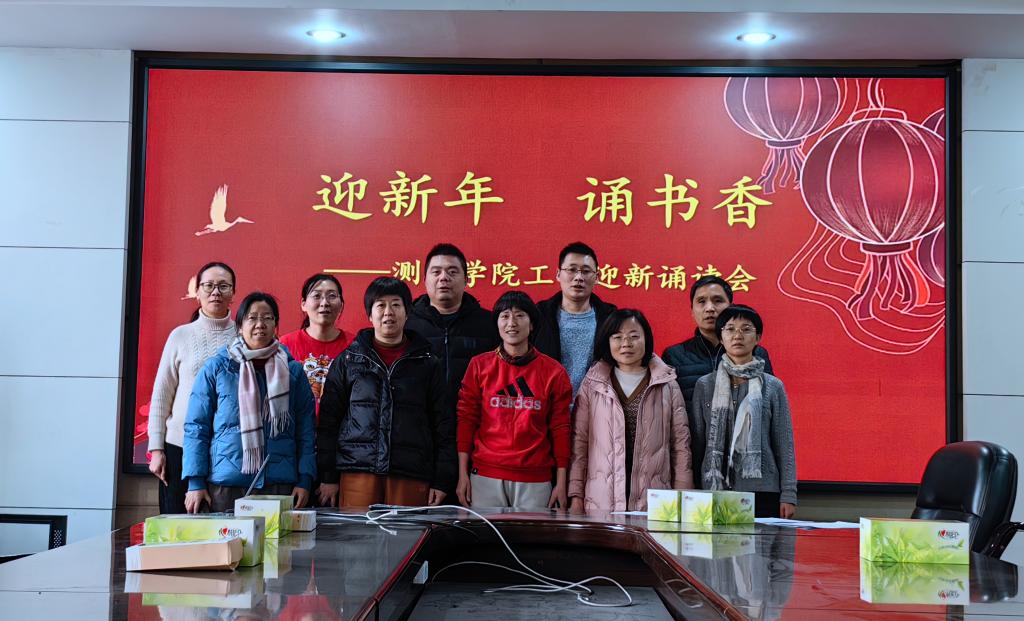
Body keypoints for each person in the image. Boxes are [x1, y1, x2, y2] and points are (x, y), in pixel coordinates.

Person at [317, 277, 455, 508]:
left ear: (407, 313)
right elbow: (328, 422)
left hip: (410, 473)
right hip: (357, 472)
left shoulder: (428, 363)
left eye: (396, 305)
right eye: (380, 305)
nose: (388, 312)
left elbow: (444, 425)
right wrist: (328, 476)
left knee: (407, 532)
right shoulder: (349, 360)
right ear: (370, 315)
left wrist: (442, 479)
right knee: (356, 531)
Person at [182, 292, 317, 513]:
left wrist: (305, 480)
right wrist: (195, 482)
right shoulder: (217, 368)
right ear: (240, 326)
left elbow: (306, 430)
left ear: (276, 326)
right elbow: (197, 427)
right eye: (252, 318)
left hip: (279, 484)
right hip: (226, 486)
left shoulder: (293, 371)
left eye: (267, 318)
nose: (260, 324)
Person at [455, 291, 572, 510]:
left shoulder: (554, 372)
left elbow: (560, 428)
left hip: (535, 478)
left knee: (529, 535)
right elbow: (466, 420)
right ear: (497, 324)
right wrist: (462, 474)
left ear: (532, 324)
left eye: (519, 315)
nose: (512, 323)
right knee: (487, 534)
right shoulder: (479, 366)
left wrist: (562, 481)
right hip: (485, 476)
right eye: (505, 316)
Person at [569, 309, 693, 514]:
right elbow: (579, 444)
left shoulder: (667, 384)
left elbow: (681, 446)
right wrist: (575, 495)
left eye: (634, 336)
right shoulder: (593, 384)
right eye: (617, 337)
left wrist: (684, 496)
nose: (626, 343)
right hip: (601, 501)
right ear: (607, 342)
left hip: (654, 502)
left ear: (646, 339)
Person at [147, 261, 238, 514]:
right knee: (177, 526)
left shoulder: (243, 336)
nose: (215, 292)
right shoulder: (180, 335)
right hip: (179, 446)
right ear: (197, 292)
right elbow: (162, 395)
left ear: (233, 292)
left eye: (223, 286)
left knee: (223, 526)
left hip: (227, 449)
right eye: (208, 286)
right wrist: (157, 449)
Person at [691, 305, 796, 519]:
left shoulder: (773, 386)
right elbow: (697, 442)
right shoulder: (705, 385)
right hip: (714, 489)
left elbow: (784, 444)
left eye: (746, 329)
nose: (737, 335)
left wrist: (788, 494)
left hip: (763, 491)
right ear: (721, 337)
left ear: (757, 338)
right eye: (730, 329)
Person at [662, 275, 774, 473]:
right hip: (694, 458)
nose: (710, 308)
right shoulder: (675, 356)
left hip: (746, 459)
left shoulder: (756, 354)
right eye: (701, 301)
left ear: (731, 307)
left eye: (717, 300)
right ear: (692, 311)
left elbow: (768, 412)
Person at [405, 243, 499, 410]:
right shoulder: (406, 324)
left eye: (452, 272)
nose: (444, 278)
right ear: (424, 280)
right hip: (422, 420)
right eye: (436, 272)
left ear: (466, 280)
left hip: (473, 418)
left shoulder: (490, 323)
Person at [534, 242, 617, 395]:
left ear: (597, 277)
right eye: (572, 270)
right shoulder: (538, 315)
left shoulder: (611, 318)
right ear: (558, 274)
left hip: (596, 405)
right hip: (547, 405)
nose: (579, 277)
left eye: (586, 271)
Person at [279, 274, 351, 410]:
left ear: (341, 305)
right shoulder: (285, 345)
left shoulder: (354, 346)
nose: (324, 303)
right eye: (317, 296)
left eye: (332, 296)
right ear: (303, 304)